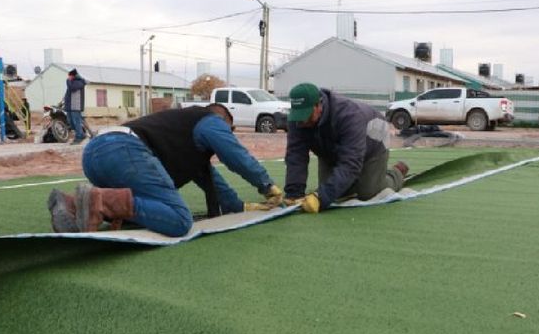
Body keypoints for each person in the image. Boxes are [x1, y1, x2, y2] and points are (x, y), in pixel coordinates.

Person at [47, 103, 283, 237]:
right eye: (228, 130)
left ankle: (73, 205)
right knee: (179, 220)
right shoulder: (210, 120)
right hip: (124, 150)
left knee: (143, 210)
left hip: (93, 153)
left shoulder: (187, 139)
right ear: (223, 120)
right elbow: (237, 155)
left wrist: (238, 206)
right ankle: (99, 200)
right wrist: (268, 186)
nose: (227, 134)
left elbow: (212, 180)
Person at [283, 82, 409, 213]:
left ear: (318, 105)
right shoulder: (297, 119)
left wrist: (321, 197)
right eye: (299, 116)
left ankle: (396, 173)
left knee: (368, 192)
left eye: (307, 116)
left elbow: (351, 164)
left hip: (374, 141)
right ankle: (353, 183)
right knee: (336, 192)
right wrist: (294, 194)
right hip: (332, 149)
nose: (303, 122)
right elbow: (296, 155)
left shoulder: (349, 116)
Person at [64, 68, 86, 145]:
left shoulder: (80, 82)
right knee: (70, 121)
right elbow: (68, 93)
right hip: (70, 106)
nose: (68, 77)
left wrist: (68, 81)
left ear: (73, 75)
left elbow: (72, 88)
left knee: (76, 122)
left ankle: (79, 137)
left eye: (69, 76)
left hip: (76, 106)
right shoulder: (71, 82)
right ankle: (82, 134)